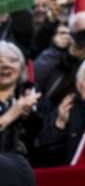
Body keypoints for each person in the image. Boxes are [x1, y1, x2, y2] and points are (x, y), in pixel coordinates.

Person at [0, 42, 41, 185]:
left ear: (22, 67)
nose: (5, 66)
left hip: (29, 172)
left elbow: (48, 142)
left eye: (12, 60)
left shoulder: (37, 97)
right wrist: (12, 113)